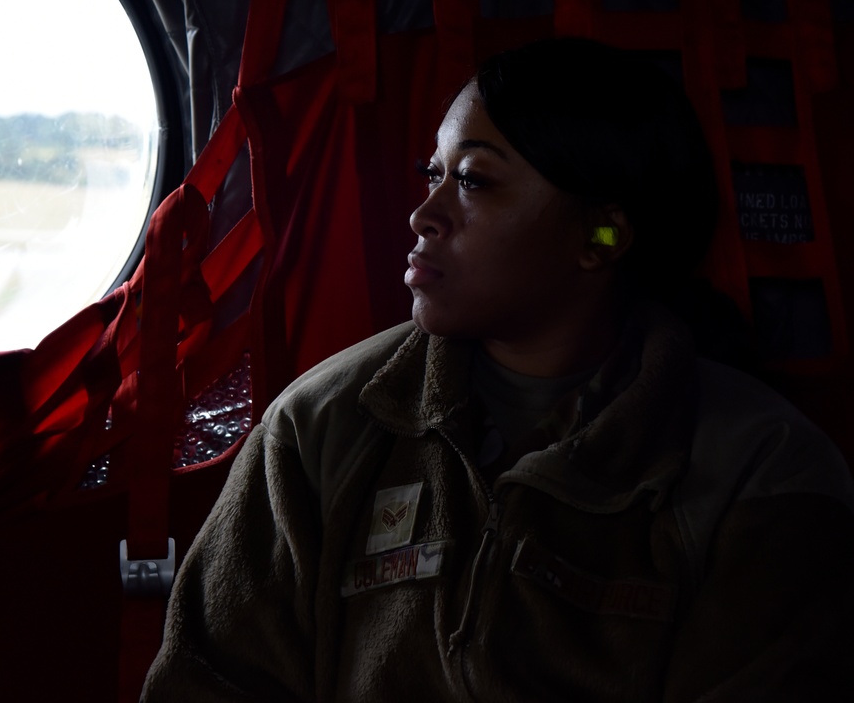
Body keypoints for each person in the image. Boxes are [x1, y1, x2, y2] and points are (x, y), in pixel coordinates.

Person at [141, 38, 854, 701]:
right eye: (434, 173)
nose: (425, 213)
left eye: (475, 181)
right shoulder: (319, 428)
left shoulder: (762, 471)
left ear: (601, 238)